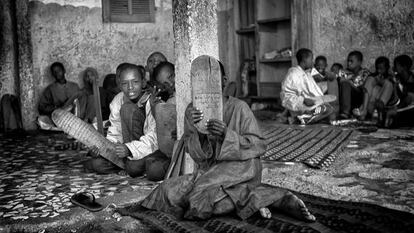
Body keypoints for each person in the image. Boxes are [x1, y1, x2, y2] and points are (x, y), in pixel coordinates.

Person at [141, 56, 316, 222]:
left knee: (198, 200)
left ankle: (276, 198)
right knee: (165, 191)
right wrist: (198, 130)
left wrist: (227, 134)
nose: (206, 87)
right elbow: (195, 155)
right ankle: (256, 198)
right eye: (199, 82)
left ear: (224, 81)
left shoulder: (240, 107)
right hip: (210, 172)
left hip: (240, 167)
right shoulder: (192, 111)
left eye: (213, 80)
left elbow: (258, 146)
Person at [84, 63, 169, 181]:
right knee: (97, 164)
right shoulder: (117, 100)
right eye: (125, 83)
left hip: (148, 149)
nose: (130, 87)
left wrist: (129, 149)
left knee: (128, 109)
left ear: (143, 82)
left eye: (135, 82)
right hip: (126, 151)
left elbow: (154, 139)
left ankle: (133, 166)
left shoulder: (152, 101)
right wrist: (103, 149)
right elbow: (115, 132)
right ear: (119, 85)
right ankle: (130, 165)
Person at [280, 49, 335, 124]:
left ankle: (301, 118)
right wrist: (303, 100)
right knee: (327, 109)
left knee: (332, 114)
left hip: (308, 105)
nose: (313, 62)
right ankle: (298, 119)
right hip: (299, 107)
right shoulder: (293, 74)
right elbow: (285, 97)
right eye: (311, 59)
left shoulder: (306, 73)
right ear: (304, 60)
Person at [37, 62, 81, 129]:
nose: (57, 73)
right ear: (52, 74)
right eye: (54, 72)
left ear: (64, 71)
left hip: (75, 117)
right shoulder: (50, 89)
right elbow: (41, 107)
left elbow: (82, 102)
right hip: (60, 118)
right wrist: (57, 108)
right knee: (41, 119)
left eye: (59, 70)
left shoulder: (75, 86)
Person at [382, 55, 414, 127]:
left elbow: (409, 99)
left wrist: (397, 108)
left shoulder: (412, 80)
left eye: (396, 65)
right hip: (402, 106)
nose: (394, 68)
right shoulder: (397, 78)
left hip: (409, 108)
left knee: (391, 115)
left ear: (404, 67)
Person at [339, 51, 371, 119]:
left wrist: (348, 82)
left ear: (359, 62)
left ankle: (347, 112)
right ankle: (345, 112)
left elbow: (361, 89)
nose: (348, 63)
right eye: (348, 61)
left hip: (359, 100)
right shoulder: (344, 72)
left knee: (346, 83)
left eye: (351, 61)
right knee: (344, 84)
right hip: (346, 99)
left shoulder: (365, 72)